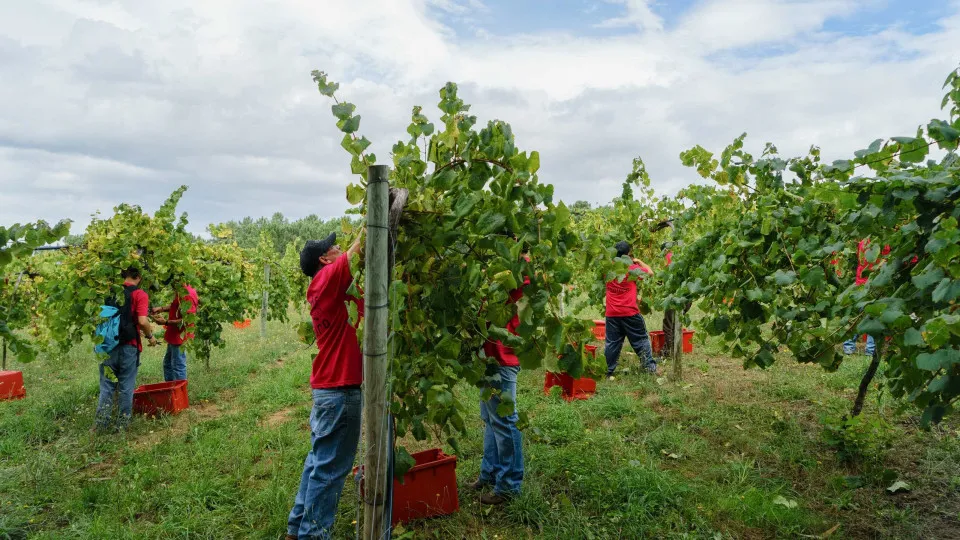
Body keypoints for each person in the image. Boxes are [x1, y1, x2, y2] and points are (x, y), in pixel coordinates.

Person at [285, 229, 364, 540]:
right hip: (340, 389)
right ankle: (312, 535)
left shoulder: (323, 285)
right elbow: (361, 249)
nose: (340, 247)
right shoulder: (328, 277)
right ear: (324, 258)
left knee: (319, 461)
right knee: (330, 470)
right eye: (335, 247)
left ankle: (297, 527)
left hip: (328, 388)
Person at [470, 256, 529, 505]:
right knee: (491, 419)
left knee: (505, 421)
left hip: (503, 357)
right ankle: (490, 473)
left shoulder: (519, 269)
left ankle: (508, 485)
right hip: (488, 356)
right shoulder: (495, 268)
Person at [94, 267, 157, 432]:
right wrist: (150, 337)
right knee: (126, 386)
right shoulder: (140, 294)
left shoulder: (111, 292)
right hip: (129, 346)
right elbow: (143, 321)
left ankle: (101, 425)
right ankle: (122, 425)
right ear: (139, 277)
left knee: (107, 385)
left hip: (107, 345)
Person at [605, 241, 657, 380]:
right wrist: (639, 261)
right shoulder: (632, 269)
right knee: (640, 340)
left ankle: (609, 371)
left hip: (612, 313)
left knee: (612, 343)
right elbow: (650, 273)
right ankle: (649, 368)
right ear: (628, 254)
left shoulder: (608, 268)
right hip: (629, 312)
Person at [841, 239, 889, 356]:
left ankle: (848, 346)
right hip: (874, 283)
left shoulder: (863, 242)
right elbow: (886, 261)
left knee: (858, 316)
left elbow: (861, 260)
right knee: (873, 317)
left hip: (861, 283)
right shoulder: (885, 243)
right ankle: (870, 349)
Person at [150, 281, 199, 381]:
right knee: (168, 364)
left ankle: (179, 393)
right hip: (174, 334)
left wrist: (166, 322)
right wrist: (162, 309)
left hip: (180, 336)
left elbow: (189, 319)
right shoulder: (181, 290)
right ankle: (171, 390)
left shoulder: (187, 294)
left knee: (178, 367)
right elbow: (177, 306)